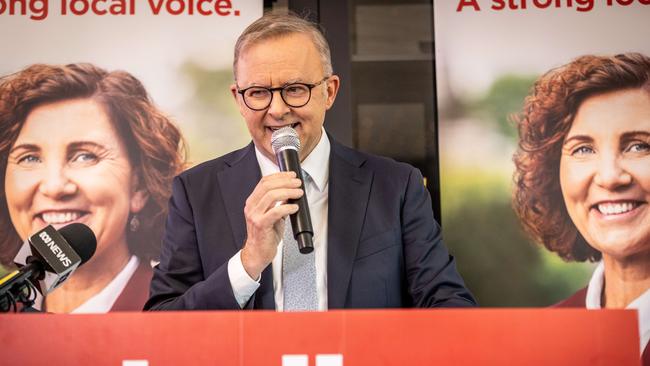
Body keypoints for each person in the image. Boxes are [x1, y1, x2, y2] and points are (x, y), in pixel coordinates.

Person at [145, 12, 475, 311]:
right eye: (259, 92)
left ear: (329, 92)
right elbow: (162, 321)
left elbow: (449, 306)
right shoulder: (196, 191)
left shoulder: (396, 186)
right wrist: (247, 263)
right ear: (239, 99)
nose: (276, 109)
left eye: (295, 88)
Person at [0, 63, 185, 313]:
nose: (55, 187)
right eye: (30, 158)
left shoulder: (182, 314)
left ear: (139, 186)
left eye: (85, 156)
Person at [513, 53, 650, 364]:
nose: (610, 177)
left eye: (640, 145)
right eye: (584, 149)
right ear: (554, 174)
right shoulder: (538, 342)